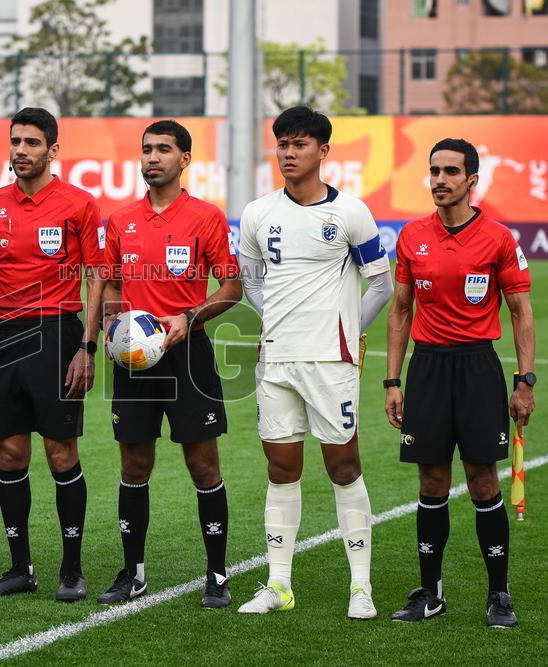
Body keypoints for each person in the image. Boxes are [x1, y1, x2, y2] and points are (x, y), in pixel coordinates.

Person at [236, 106, 393, 619]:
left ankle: (361, 588)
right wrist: (278, 323)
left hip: (332, 361)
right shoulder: (258, 213)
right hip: (276, 361)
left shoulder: (350, 212)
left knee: (343, 466)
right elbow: (253, 283)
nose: (287, 152)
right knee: (281, 468)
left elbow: (382, 284)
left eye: (299, 143)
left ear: (323, 151)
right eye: (282, 142)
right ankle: (279, 585)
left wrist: (351, 330)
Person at [386, 138, 534, 628]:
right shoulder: (411, 236)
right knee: (431, 481)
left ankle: (500, 594)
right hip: (426, 369)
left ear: (472, 180)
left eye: (451, 171)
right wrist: (392, 380)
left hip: (477, 370)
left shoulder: (498, 238)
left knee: (482, 479)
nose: (440, 180)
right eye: (434, 171)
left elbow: (520, 313)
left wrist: (524, 381)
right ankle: (431, 592)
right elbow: (401, 310)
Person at [98, 120, 241, 610]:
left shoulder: (206, 218)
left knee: (203, 465)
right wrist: (111, 325)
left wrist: (187, 316)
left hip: (188, 355)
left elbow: (231, 288)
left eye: (163, 149)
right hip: (133, 362)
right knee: (134, 464)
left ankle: (217, 574)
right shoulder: (121, 221)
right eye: (146, 150)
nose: (152, 157)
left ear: (185, 159)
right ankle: (133, 572)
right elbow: (112, 284)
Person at [0, 107, 105, 602]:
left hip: (57, 335)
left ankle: (72, 569)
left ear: (53, 149)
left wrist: (87, 347)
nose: (21, 150)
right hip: (3, 337)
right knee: (10, 453)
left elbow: (96, 277)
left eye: (31, 142)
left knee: (60, 451)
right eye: (15, 141)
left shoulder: (79, 205)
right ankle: (19, 567)